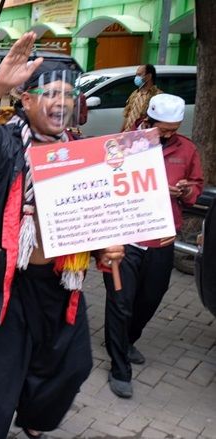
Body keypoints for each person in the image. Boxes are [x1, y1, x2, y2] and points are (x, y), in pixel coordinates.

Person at [0, 33, 125, 438]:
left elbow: (92, 216)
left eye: (67, 94)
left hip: (60, 283)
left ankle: (34, 417)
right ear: (26, 101)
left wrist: (105, 248)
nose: (61, 102)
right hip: (7, 283)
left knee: (72, 364)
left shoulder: (81, 153)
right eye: (50, 93)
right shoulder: (4, 144)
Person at [103, 93, 204, 399]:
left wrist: (186, 190)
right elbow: (104, 182)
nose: (169, 135)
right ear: (149, 120)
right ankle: (119, 367)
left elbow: (196, 186)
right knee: (120, 303)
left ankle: (127, 339)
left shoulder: (187, 150)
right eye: (163, 130)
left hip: (162, 238)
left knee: (150, 299)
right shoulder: (123, 146)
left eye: (174, 129)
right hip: (127, 238)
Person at [121, 64, 161, 132]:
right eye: (136, 75)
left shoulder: (157, 96)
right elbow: (127, 116)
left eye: (139, 75)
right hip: (127, 134)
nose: (136, 78)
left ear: (149, 76)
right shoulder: (135, 93)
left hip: (141, 137)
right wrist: (121, 132)